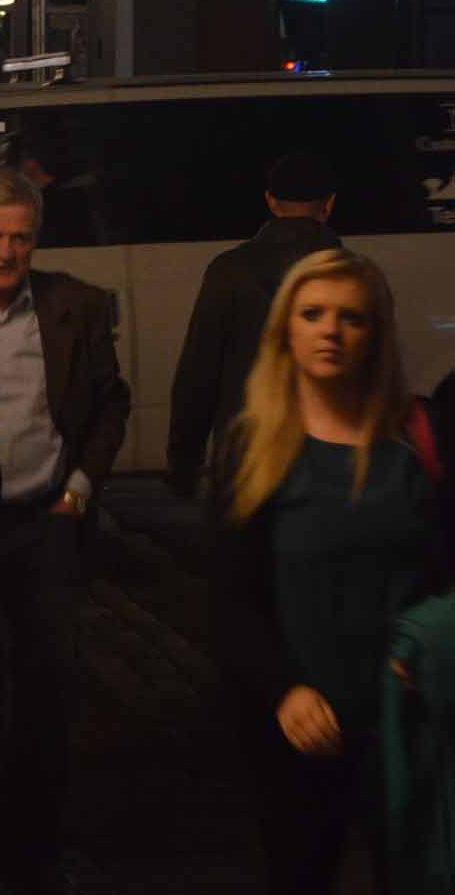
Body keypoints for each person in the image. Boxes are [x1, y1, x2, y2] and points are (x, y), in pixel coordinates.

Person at [0, 167, 131, 895]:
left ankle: (29, 843)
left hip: (42, 519)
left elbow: (109, 403)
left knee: (44, 687)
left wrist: (79, 487)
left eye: (20, 238)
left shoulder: (71, 306)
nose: (7, 253)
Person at [210, 248, 443, 894]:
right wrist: (283, 690)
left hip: (406, 722)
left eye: (350, 318)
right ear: (285, 327)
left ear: (374, 333)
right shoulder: (252, 448)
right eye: (312, 314)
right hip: (300, 727)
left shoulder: (416, 436)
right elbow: (231, 601)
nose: (330, 332)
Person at [168, 148, 342, 498]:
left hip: (245, 457)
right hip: (331, 460)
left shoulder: (229, 271)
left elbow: (199, 373)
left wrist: (184, 464)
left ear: (271, 202)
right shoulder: (353, 276)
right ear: (329, 204)